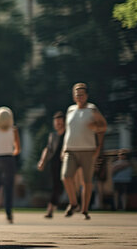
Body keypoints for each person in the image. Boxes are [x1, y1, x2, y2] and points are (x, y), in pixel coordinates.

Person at [62, 83, 107, 220]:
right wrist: (64, 148)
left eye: (82, 94)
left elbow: (103, 126)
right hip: (71, 149)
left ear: (86, 96)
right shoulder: (70, 110)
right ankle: (73, 202)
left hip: (88, 149)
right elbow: (68, 130)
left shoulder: (92, 109)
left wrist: (98, 144)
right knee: (66, 176)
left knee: (86, 181)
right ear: (74, 96)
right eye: (77, 95)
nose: (79, 97)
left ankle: (85, 209)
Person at [37, 111, 66, 218]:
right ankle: (50, 209)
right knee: (56, 186)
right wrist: (42, 161)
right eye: (56, 122)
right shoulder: (53, 136)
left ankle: (76, 205)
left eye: (60, 121)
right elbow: (48, 149)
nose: (57, 124)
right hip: (54, 164)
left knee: (68, 185)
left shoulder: (68, 135)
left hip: (67, 163)